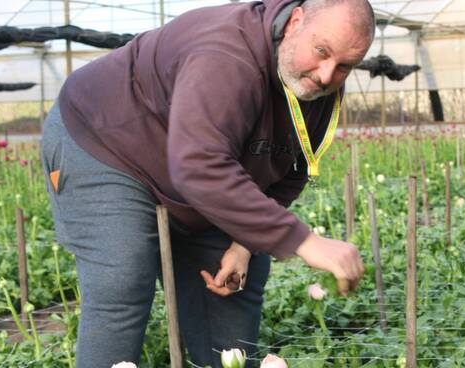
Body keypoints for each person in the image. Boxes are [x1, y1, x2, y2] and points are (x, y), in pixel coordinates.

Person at [40, 0, 375, 366]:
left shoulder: (318, 88)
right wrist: (303, 241)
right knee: (124, 277)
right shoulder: (226, 54)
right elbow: (198, 164)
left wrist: (245, 242)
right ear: (295, 21)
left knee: (228, 293)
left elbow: (292, 168)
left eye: (344, 66)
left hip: (199, 168)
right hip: (107, 141)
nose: (327, 75)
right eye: (322, 51)